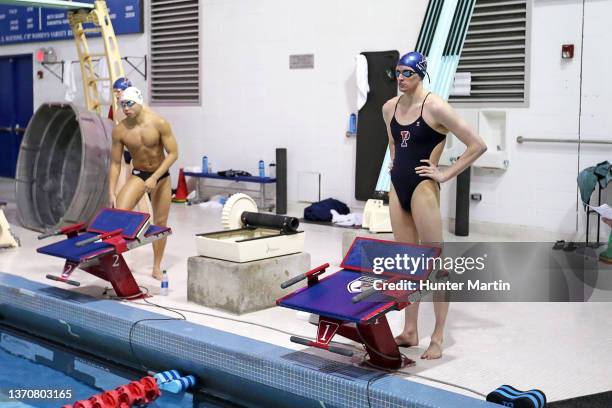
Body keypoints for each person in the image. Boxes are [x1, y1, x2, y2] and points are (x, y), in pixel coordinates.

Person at [382, 51, 487, 359]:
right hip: (397, 187)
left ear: (421, 75)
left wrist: (445, 173)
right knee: (406, 263)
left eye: (407, 74)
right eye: (397, 73)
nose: (400, 78)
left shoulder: (436, 106)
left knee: (436, 264)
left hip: (424, 188)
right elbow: (394, 143)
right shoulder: (389, 107)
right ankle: (410, 330)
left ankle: (438, 336)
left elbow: (477, 144)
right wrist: (394, 164)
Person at [109, 87, 178, 280]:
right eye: (123, 105)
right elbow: (115, 163)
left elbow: (173, 153)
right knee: (119, 215)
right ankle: (116, 262)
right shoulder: (120, 130)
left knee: (160, 222)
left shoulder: (158, 123)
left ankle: (156, 266)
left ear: (139, 101)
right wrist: (111, 190)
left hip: (161, 176)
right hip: (139, 174)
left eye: (130, 103)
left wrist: (156, 176)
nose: (126, 108)